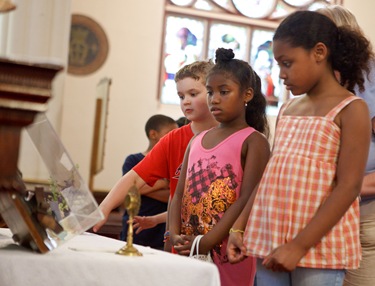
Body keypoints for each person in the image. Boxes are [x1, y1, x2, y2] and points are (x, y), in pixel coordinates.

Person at [227, 10, 372, 286]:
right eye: (278, 64)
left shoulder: (352, 109)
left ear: (319, 52)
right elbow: (270, 175)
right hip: (271, 239)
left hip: (319, 248)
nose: (281, 74)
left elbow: (349, 186)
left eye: (287, 63)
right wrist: (240, 225)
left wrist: (298, 246)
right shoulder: (288, 109)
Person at [169, 48, 271, 286]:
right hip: (188, 248)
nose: (214, 99)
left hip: (228, 252)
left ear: (247, 94)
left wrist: (207, 241)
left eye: (224, 92)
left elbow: (247, 198)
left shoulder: (254, 141)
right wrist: (174, 235)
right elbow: (179, 194)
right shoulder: (196, 140)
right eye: (210, 92)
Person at [93, 60, 218, 248]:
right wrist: (103, 208)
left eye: (193, 94)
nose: (185, 101)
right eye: (181, 95)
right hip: (180, 241)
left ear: (213, 92)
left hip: (218, 238)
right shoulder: (173, 140)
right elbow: (134, 177)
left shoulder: (232, 136)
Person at [317, 5, 375, 286]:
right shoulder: (316, 79)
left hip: (363, 211)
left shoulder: (369, 77)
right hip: (318, 207)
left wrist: (353, 187)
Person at [120, 114, 178, 249]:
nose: (174, 138)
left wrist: (140, 188)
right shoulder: (133, 160)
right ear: (153, 134)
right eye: (170, 133)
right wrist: (163, 183)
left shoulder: (173, 163)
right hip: (135, 224)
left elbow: (173, 196)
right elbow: (129, 191)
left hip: (161, 228)